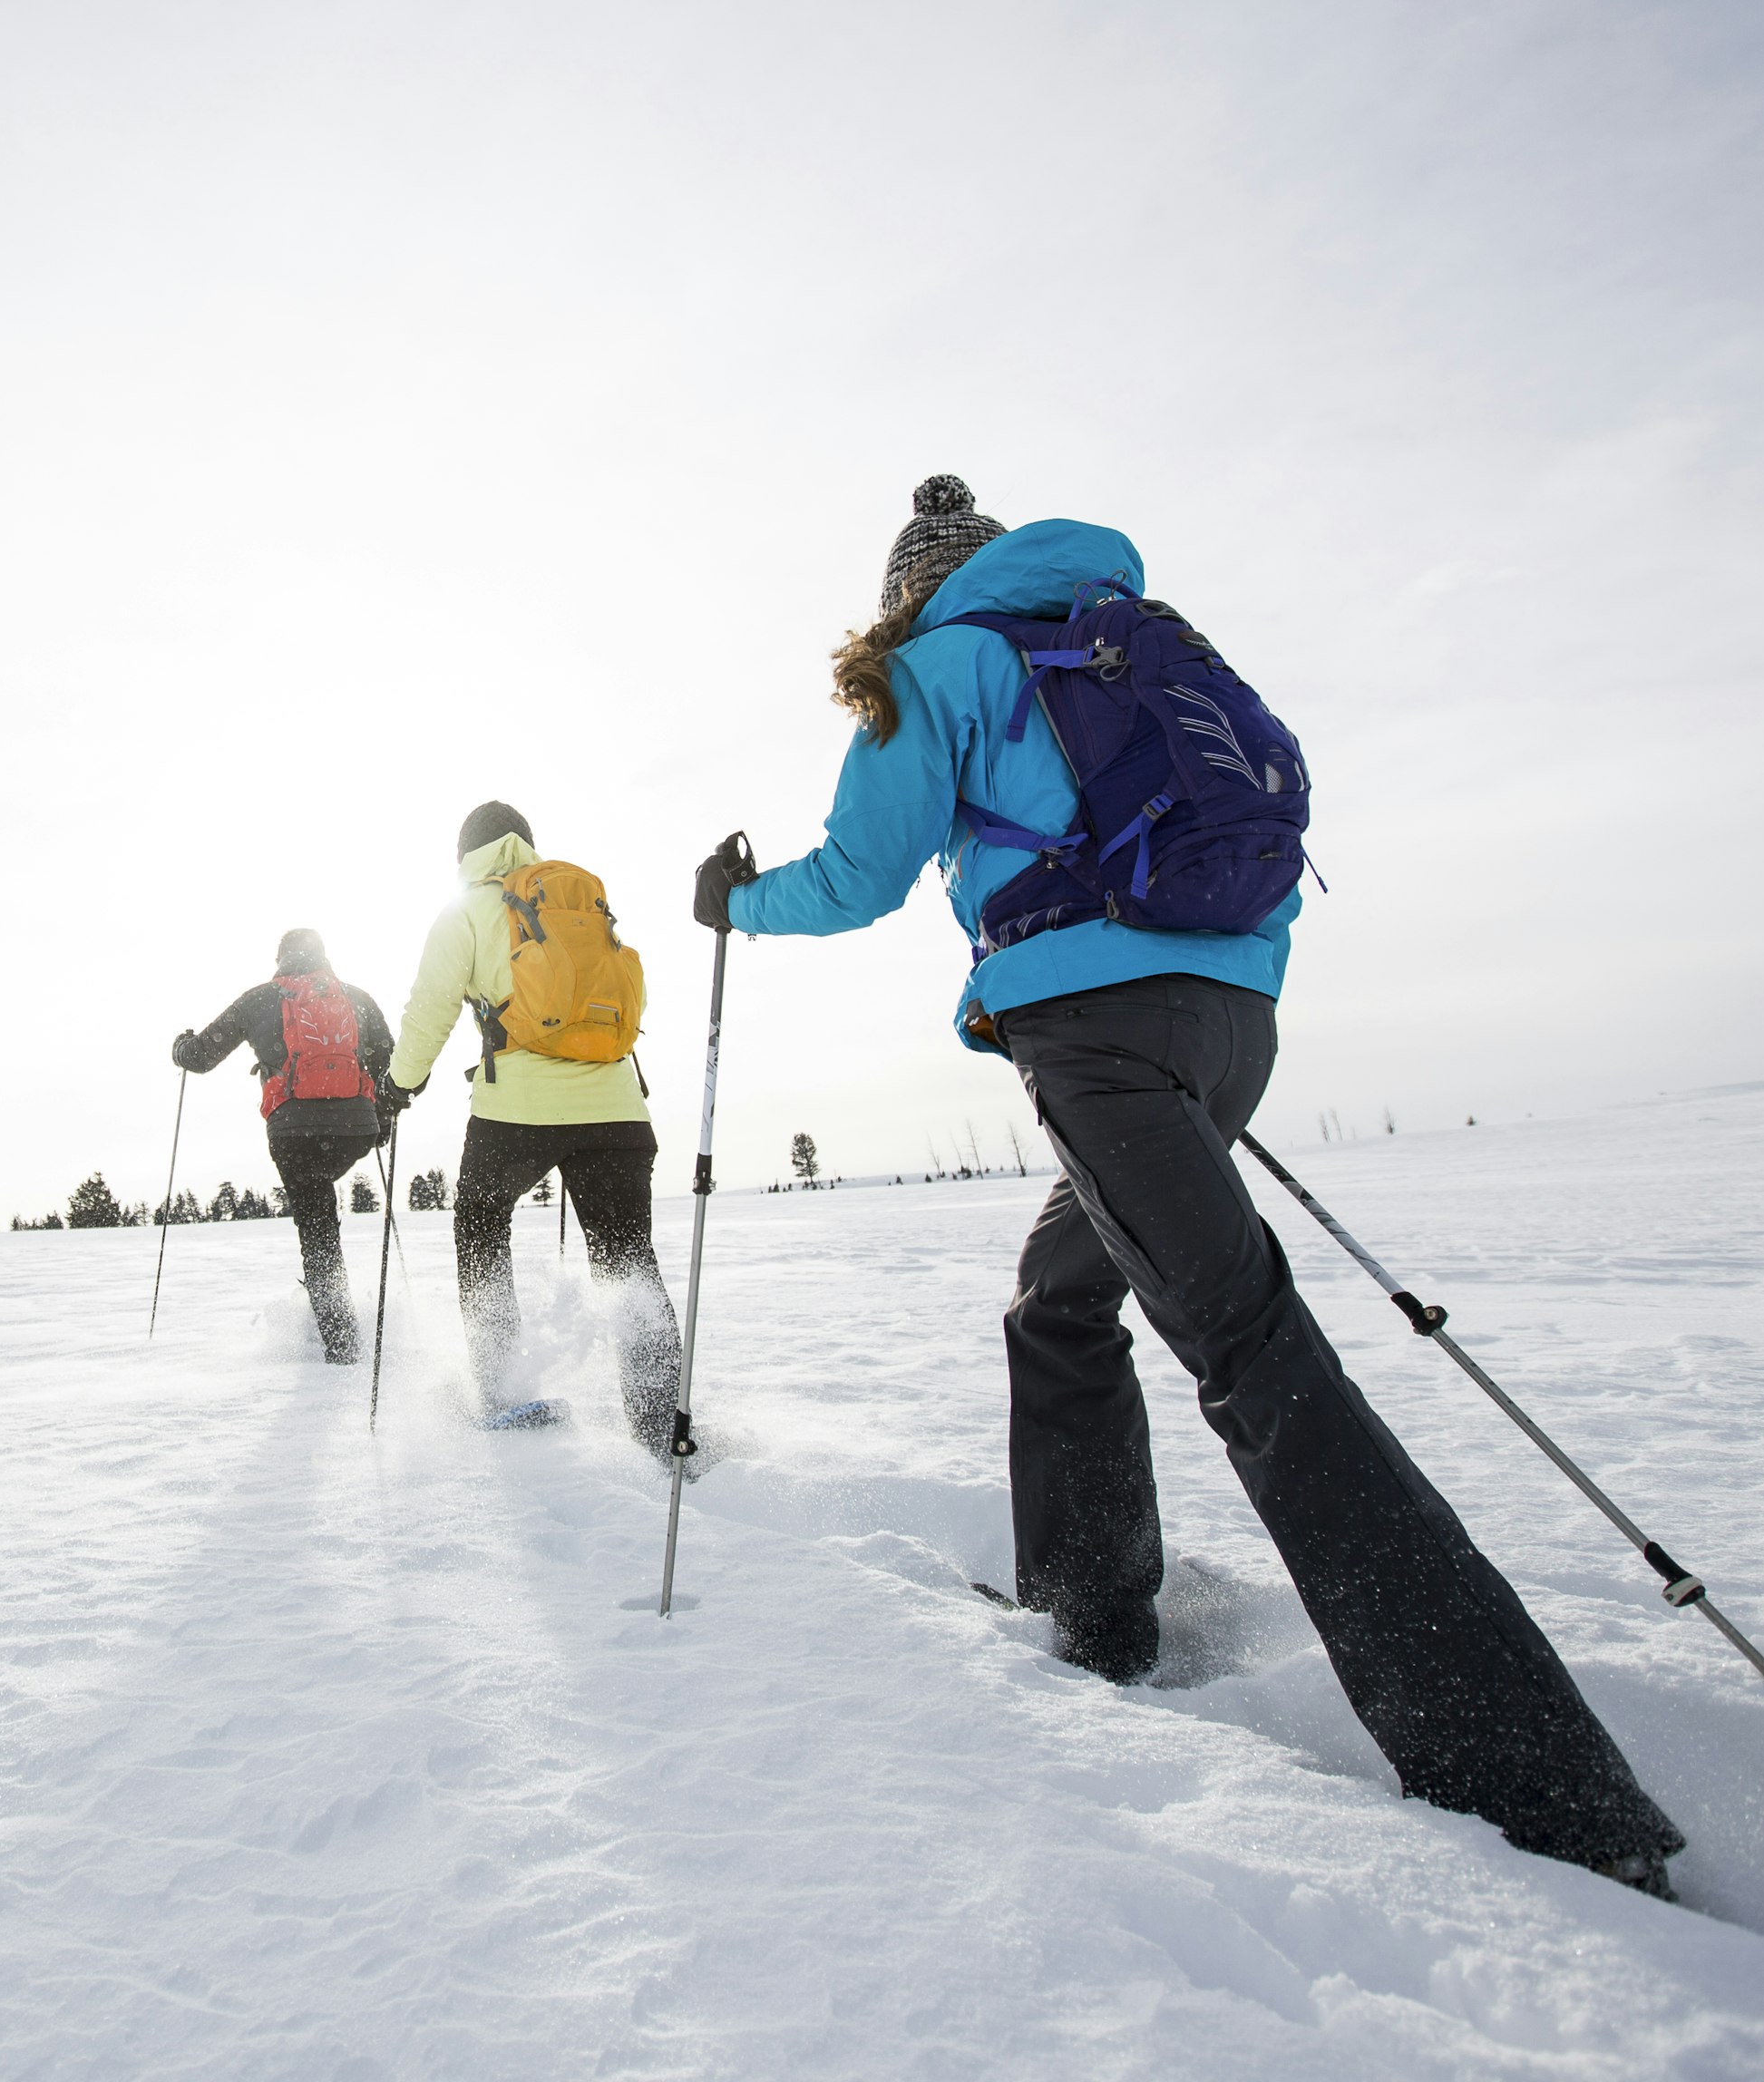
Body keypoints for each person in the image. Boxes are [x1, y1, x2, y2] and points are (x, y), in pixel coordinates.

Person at [697, 473, 1683, 1894]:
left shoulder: (943, 662)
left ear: (918, 585)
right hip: (1231, 1020)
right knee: (1059, 1299)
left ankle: (1539, 1788)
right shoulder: (1129, 633)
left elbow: (862, 874)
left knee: (1257, 1359)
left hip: (1096, 1038)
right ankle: (1091, 1612)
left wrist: (730, 898)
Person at [384, 803, 682, 1451]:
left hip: (518, 1110)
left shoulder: (463, 910)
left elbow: (430, 1006)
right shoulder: (576, 898)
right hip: (618, 1108)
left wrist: (401, 1082)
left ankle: (504, 1391)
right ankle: (663, 1425)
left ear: (465, 854)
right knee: (628, 1257)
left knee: (481, 1223)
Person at [171, 929, 397, 1363]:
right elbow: (391, 1060)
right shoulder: (355, 997)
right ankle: (340, 1322)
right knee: (321, 1201)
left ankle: (340, 1343)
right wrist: (381, 1118)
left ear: (281, 958)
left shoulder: (261, 998)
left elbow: (200, 1056)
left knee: (317, 1228)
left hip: (295, 1130)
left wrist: (180, 1047)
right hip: (356, 1130)